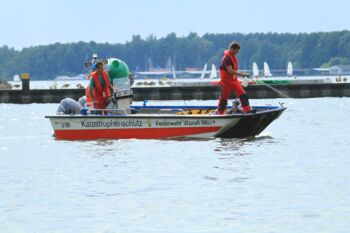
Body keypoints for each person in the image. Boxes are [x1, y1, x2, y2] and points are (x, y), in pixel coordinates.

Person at [217, 42, 254, 114]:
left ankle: (247, 110)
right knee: (224, 98)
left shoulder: (232, 56)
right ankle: (220, 113)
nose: (237, 52)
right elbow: (230, 71)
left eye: (238, 51)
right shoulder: (226, 58)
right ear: (232, 49)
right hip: (226, 81)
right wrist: (242, 74)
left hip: (233, 80)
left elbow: (234, 70)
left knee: (242, 94)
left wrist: (242, 74)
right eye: (236, 51)